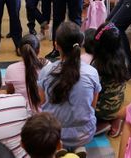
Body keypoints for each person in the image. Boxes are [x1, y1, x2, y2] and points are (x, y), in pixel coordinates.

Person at [38, 22, 101, 156]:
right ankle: (79, 147)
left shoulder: (46, 71)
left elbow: (42, 103)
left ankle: (58, 147)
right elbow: (92, 106)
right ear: (81, 44)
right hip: (85, 133)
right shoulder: (92, 72)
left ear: (56, 45)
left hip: (53, 133)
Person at [92, 23, 129, 137]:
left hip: (102, 110)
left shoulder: (98, 65)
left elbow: (93, 93)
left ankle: (102, 124)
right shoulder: (123, 59)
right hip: (118, 105)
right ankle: (116, 119)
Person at [5, 34, 49, 113]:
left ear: (19, 50)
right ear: (39, 50)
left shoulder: (11, 69)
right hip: (44, 116)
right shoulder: (47, 65)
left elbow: (10, 93)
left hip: (21, 114)